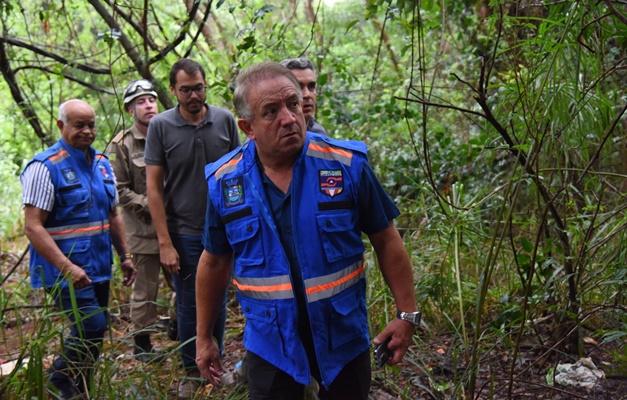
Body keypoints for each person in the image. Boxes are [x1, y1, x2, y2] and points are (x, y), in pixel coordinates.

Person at [196, 62, 419, 399]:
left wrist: (407, 314)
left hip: (341, 335)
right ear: (248, 126)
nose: (289, 118)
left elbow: (386, 239)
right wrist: (203, 337)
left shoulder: (346, 165)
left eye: (293, 104)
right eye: (271, 111)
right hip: (271, 340)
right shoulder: (226, 183)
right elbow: (213, 262)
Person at [21, 99, 137, 399]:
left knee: (95, 332)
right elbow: (33, 226)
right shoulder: (45, 167)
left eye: (91, 125)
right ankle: (58, 377)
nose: (87, 131)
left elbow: (113, 214)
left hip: (98, 264)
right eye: (79, 125)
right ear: (61, 126)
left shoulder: (100, 162)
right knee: (93, 325)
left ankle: (81, 388)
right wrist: (67, 267)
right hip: (63, 269)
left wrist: (125, 256)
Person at [145, 58, 241, 398]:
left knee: (217, 298)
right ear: (172, 91)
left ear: (205, 85)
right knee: (189, 302)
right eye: (185, 90)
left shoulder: (225, 120)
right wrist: (164, 242)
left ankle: (216, 364)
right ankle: (191, 372)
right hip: (183, 231)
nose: (193, 95)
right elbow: (153, 188)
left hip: (225, 230)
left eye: (198, 88)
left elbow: (239, 172)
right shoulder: (160, 126)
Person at [106, 79, 173, 362]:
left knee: (185, 281)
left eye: (151, 100)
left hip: (176, 227)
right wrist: (151, 205)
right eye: (141, 102)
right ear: (130, 110)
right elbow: (117, 189)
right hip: (144, 230)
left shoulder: (171, 133)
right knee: (146, 289)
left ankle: (182, 328)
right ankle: (142, 345)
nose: (148, 106)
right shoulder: (121, 144)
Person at [280, 57, 327, 135]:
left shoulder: (319, 134)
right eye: (299, 87)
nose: (307, 95)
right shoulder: (273, 135)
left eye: (311, 86)